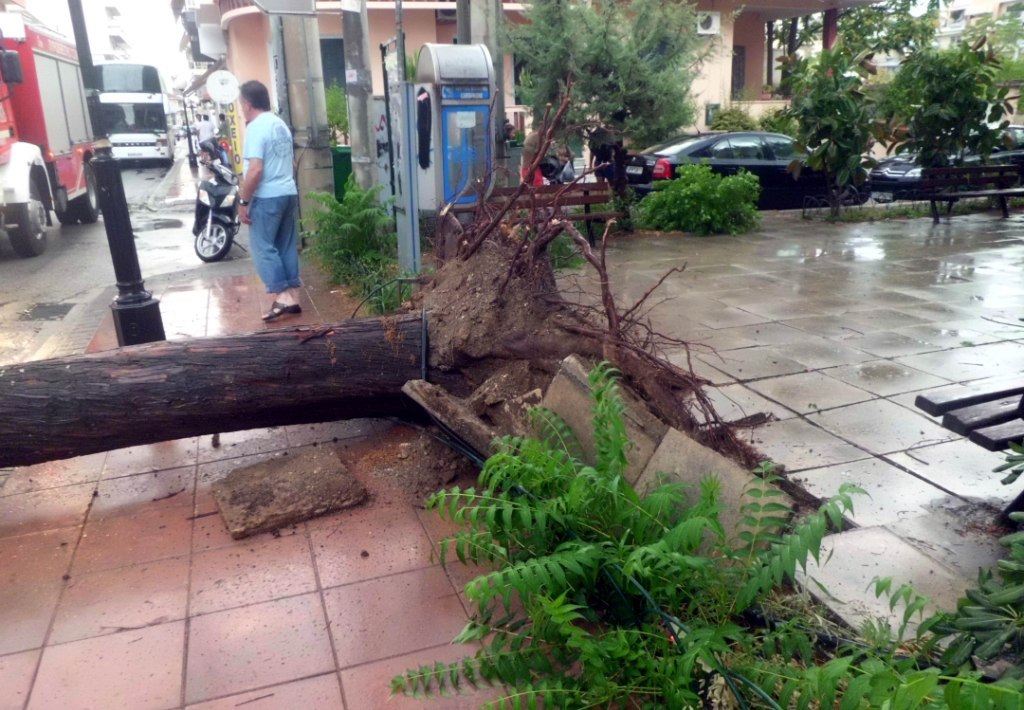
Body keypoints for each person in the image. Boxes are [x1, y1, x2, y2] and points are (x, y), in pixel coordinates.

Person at [236, 80, 303, 322]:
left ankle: (283, 296)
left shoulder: (256, 127)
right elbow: (292, 163)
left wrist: (243, 202)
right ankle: (293, 297)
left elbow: (255, 170)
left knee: (263, 246)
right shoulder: (280, 125)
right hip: (288, 192)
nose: (241, 108)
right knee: (285, 245)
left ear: (248, 103)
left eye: (241, 103)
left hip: (267, 197)